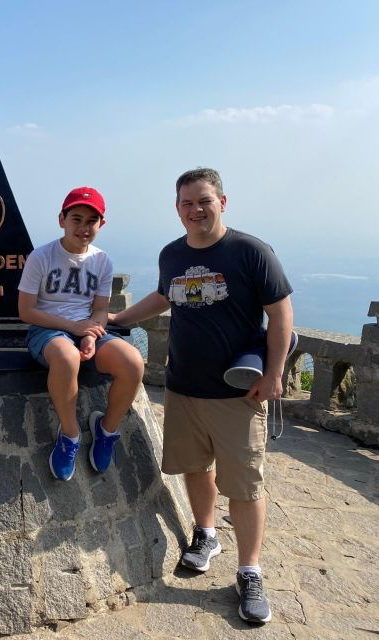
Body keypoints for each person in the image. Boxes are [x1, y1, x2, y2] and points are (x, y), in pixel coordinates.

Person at [111, 168, 293, 624]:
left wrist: (274, 374)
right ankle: (205, 533)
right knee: (195, 467)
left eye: (204, 201)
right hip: (183, 386)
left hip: (237, 391)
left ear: (222, 202)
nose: (196, 210)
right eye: (187, 203)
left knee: (246, 485)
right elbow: (163, 297)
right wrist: (119, 319)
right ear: (177, 208)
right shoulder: (172, 253)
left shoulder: (251, 252)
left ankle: (249, 571)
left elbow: (281, 313)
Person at [18, 187, 145, 481]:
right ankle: (70, 435)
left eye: (91, 221)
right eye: (76, 219)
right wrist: (74, 328)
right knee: (66, 357)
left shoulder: (102, 261)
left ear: (101, 224)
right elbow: (26, 311)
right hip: (47, 330)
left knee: (133, 363)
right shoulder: (41, 257)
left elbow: (100, 309)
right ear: (62, 219)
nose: (83, 227)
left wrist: (91, 333)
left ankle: (107, 429)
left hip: (88, 331)